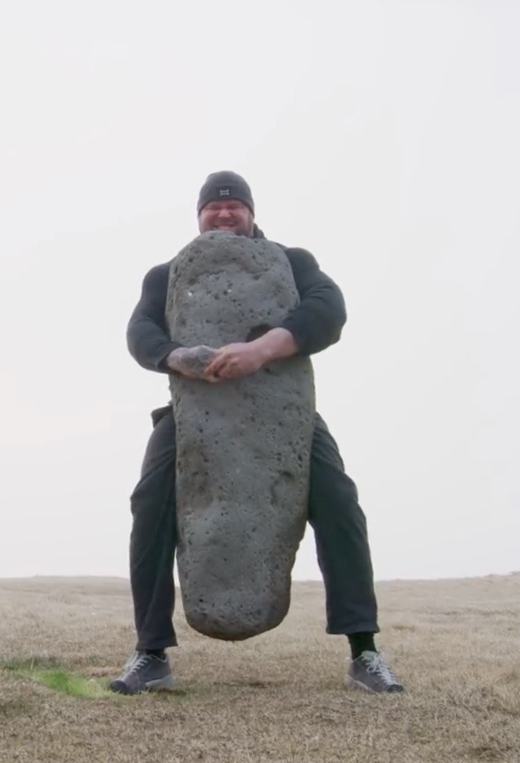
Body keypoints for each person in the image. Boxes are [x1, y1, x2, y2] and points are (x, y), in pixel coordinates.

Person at [110, 170, 404, 696]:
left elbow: (328, 309)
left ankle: (365, 651)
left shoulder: (290, 262)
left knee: (339, 502)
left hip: (284, 418)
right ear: (199, 216)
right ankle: (150, 654)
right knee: (150, 502)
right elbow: (141, 332)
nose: (224, 213)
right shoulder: (169, 274)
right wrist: (177, 356)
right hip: (194, 416)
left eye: (235, 206)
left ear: (251, 213)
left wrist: (262, 350)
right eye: (213, 206)